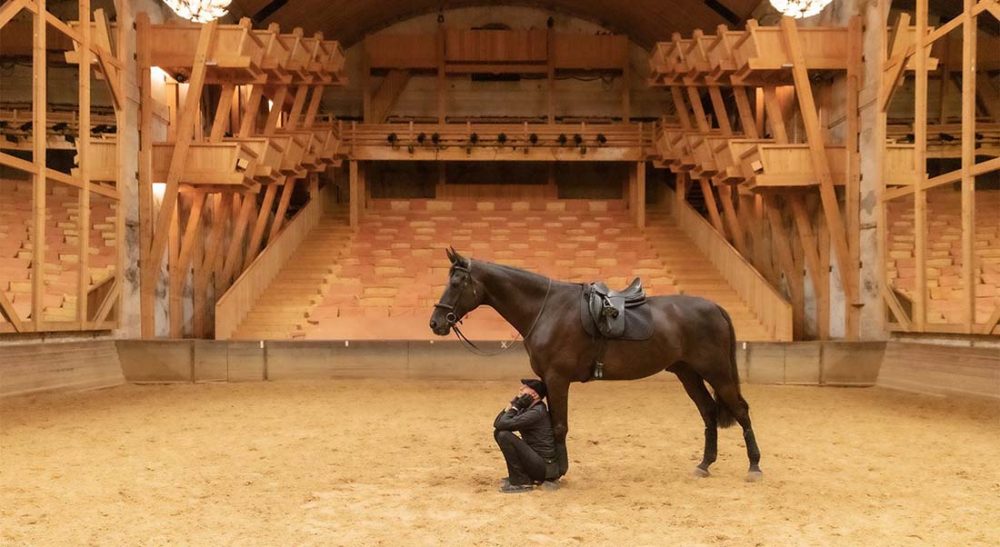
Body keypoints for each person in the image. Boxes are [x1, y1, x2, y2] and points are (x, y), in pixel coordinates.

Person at [493, 378, 560, 493]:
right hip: (535, 460)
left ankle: (521, 481)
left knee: (504, 435)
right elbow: (498, 424)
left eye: (525, 388)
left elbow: (502, 424)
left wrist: (515, 406)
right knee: (499, 433)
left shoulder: (536, 412)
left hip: (543, 466)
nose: (521, 389)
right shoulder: (526, 407)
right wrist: (512, 405)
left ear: (534, 395)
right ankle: (519, 476)